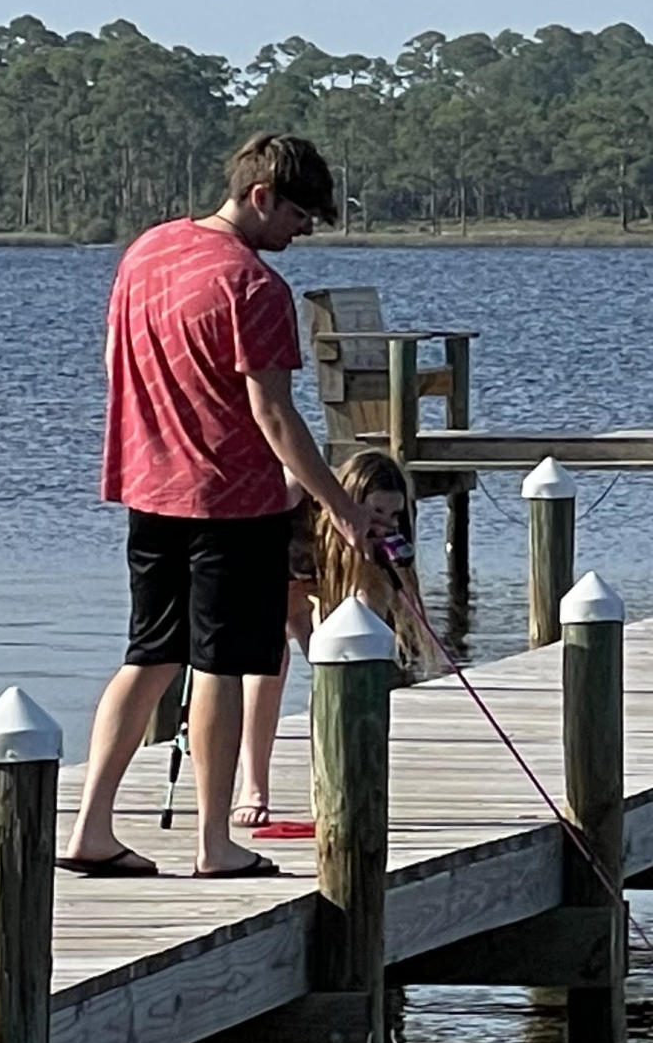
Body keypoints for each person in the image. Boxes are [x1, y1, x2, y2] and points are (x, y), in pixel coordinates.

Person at [62, 134, 370, 878]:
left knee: (149, 655)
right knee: (223, 667)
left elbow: (116, 361)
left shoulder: (147, 251)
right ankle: (214, 844)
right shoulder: (257, 289)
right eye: (299, 214)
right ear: (260, 196)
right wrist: (341, 508)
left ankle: (89, 830)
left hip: (147, 488)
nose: (303, 231)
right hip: (232, 503)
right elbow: (275, 419)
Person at [234, 448, 438, 836]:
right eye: (376, 512)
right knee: (270, 658)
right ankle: (253, 787)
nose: (386, 523)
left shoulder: (381, 539)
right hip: (274, 565)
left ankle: (337, 781)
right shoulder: (299, 498)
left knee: (348, 659)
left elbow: (366, 618)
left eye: (394, 515)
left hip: (328, 574)